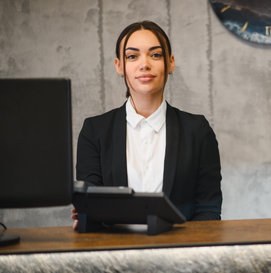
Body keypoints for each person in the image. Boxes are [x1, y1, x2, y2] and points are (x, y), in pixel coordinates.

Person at [72, 21, 222, 229]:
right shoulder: (94, 131)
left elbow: (208, 209)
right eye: (132, 56)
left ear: (170, 63)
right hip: (115, 255)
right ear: (119, 66)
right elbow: (90, 207)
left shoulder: (198, 131)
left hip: (182, 255)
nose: (144, 64)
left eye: (156, 55)